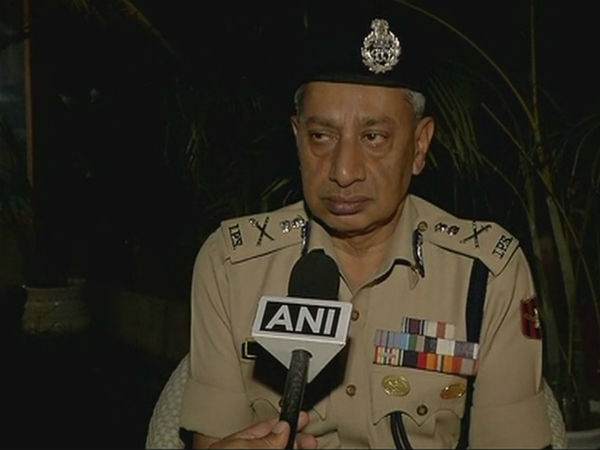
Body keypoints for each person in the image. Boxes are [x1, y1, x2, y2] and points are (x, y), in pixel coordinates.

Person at [179, 2, 553, 448]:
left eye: (374, 138)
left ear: (419, 145)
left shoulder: (486, 274)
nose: (343, 171)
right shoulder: (231, 265)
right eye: (321, 137)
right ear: (297, 138)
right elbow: (213, 439)